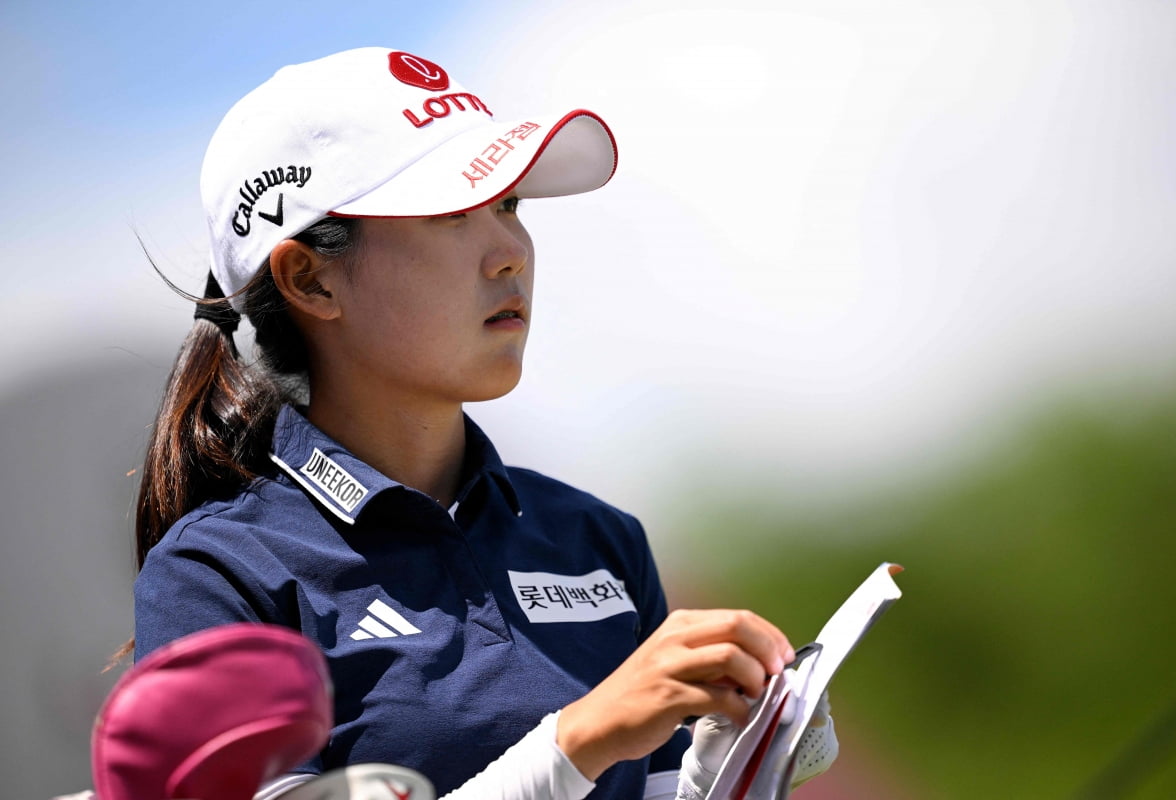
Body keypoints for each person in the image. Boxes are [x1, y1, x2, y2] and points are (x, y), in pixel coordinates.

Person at [127, 47, 836, 800]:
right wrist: (578, 743)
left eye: (509, 205)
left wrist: (734, 766)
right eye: (450, 212)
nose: (509, 254)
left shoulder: (596, 537)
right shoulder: (217, 573)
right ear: (310, 279)